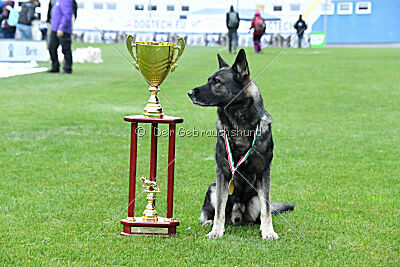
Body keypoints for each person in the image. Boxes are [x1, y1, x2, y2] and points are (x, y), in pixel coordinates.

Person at [48, 0, 73, 74]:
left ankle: (67, 68)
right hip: (55, 28)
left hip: (63, 29)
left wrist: (62, 27)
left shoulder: (65, 1)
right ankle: (55, 66)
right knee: (52, 47)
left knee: (66, 49)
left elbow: (67, 14)